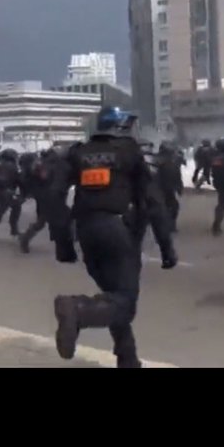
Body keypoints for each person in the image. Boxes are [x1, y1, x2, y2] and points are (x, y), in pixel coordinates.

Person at [49, 106, 150, 369]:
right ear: (118, 128)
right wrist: (166, 246)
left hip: (86, 232)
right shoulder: (129, 153)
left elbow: (54, 197)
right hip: (118, 231)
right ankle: (78, 309)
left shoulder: (77, 153)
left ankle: (128, 360)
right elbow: (152, 202)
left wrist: (63, 242)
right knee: (124, 303)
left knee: (113, 297)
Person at [141, 148, 177, 269]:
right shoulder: (160, 162)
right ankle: (168, 256)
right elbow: (168, 183)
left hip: (137, 200)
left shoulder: (127, 160)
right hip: (154, 199)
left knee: (134, 232)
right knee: (162, 231)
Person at [19, 149, 57, 254]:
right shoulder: (41, 167)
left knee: (42, 221)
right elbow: (45, 178)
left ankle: (25, 239)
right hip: (46, 196)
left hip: (43, 196)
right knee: (43, 221)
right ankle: (25, 239)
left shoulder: (35, 168)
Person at [156, 142, 183, 233]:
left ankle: (169, 225)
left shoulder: (157, 160)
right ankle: (168, 226)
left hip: (165, 189)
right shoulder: (168, 162)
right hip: (164, 189)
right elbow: (176, 176)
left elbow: (177, 175)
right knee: (171, 207)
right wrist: (179, 187)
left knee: (170, 207)